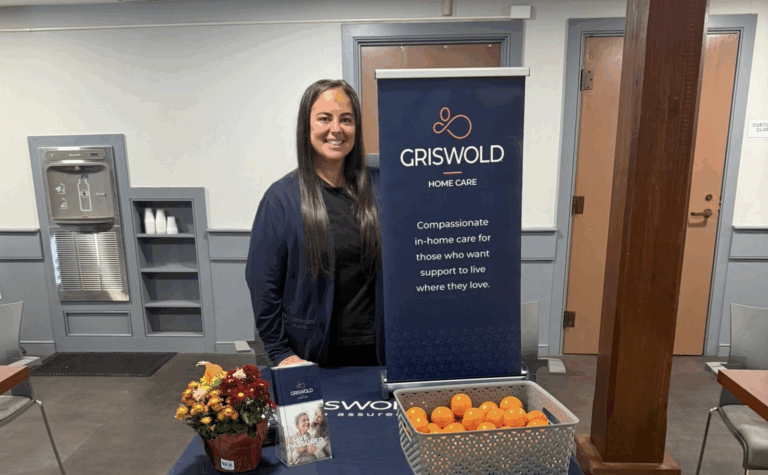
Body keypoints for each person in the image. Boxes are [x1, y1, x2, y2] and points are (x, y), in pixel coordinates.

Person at [245, 79, 385, 368]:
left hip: (382, 353)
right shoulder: (281, 199)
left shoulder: (382, 188)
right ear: (306, 127)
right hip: (311, 357)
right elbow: (263, 286)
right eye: (324, 118)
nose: (336, 129)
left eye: (346, 120)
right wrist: (280, 352)